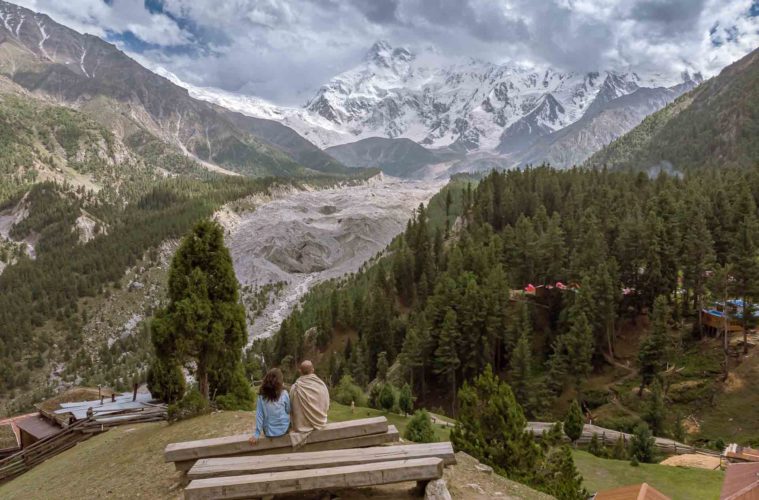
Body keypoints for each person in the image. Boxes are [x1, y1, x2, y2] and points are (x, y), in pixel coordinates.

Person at [289, 360, 330, 446]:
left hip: (301, 428)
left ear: (300, 371)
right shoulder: (321, 385)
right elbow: (327, 405)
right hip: (320, 423)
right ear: (313, 370)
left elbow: (290, 409)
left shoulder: (295, 387)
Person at [249, 368, 290, 445]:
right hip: (284, 429)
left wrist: (257, 433)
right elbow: (288, 410)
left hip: (269, 432)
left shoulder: (261, 396)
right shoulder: (284, 393)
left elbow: (259, 415)